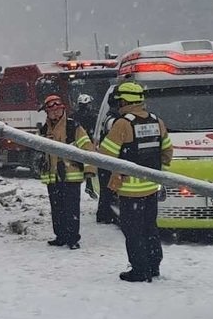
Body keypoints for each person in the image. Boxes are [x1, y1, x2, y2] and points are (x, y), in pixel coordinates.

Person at [99, 81, 173, 281]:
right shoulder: (157, 121)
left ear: (123, 101)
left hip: (130, 190)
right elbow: (167, 152)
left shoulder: (123, 123)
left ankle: (139, 270)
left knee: (133, 231)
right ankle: (153, 265)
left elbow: (105, 155)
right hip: (151, 188)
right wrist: (159, 173)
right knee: (150, 227)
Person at [36, 94, 95, 249]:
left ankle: (73, 238)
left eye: (58, 110)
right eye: (52, 111)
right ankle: (60, 236)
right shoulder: (43, 130)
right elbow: (39, 152)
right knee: (57, 209)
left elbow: (88, 148)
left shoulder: (73, 127)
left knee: (71, 209)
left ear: (63, 109)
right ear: (47, 112)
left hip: (71, 175)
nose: (55, 113)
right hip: (53, 176)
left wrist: (89, 170)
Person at [94, 91, 122, 224]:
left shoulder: (109, 117)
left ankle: (104, 213)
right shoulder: (113, 120)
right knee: (107, 190)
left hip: (105, 159)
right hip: (108, 160)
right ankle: (105, 214)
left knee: (106, 189)